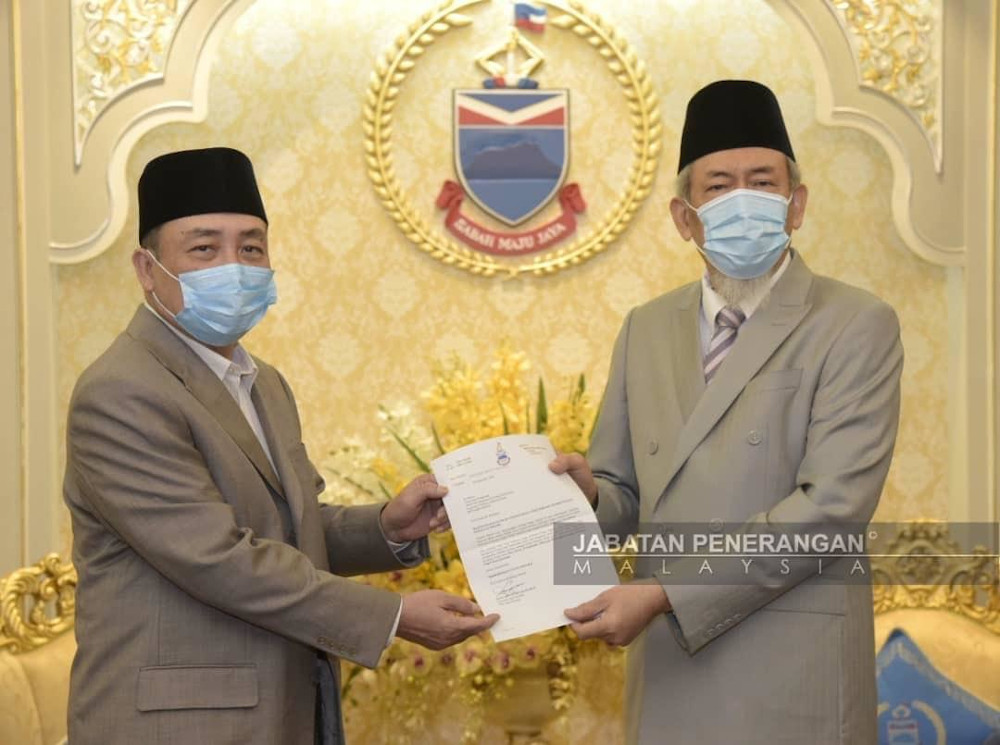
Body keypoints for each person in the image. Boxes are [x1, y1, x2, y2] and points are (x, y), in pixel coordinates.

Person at [63, 147, 497, 745]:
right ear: (146, 267)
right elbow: (219, 559)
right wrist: (391, 617)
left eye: (250, 247)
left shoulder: (261, 381)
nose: (233, 266)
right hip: (178, 725)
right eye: (203, 248)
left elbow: (291, 529)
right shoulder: (122, 391)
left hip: (282, 709)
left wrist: (388, 527)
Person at [551, 80, 903, 744]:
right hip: (670, 677)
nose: (743, 199)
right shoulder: (645, 329)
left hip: (791, 675)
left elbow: (828, 508)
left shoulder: (856, 323)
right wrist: (590, 493)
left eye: (762, 181)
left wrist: (665, 595)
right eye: (718, 186)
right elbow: (627, 492)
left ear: (796, 205)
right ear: (685, 217)